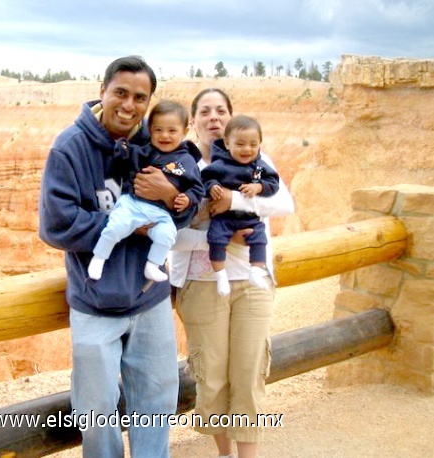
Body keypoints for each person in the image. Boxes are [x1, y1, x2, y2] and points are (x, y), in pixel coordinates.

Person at [133, 88, 294, 458]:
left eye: (221, 110)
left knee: (250, 373)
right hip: (201, 285)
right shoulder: (179, 164)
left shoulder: (252, 154)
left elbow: (284, 203)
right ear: (193, 121)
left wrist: (234, 201)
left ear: (231, 116)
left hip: (253, 284)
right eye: (205, 111)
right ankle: (224, 453)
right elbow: (167, 235)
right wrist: (218, 238)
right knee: (213, 376)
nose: (214, 117)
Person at [38, 56, 179, 458]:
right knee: (96, 410)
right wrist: (129, 226)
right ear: (102, 91)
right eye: (120, 92)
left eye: (140, 97)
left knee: (156, 404)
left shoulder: (156, 146)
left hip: (150, 298)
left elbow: (187, 206)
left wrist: (170, 196)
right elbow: (56, 224)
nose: (129, 105)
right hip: (95, 304)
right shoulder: (70, 148)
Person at [88, 99, 205, 283]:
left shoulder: (188, 161)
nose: (164, 135)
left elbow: (198, 188)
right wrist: (121, 149)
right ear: (150, 130)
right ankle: (99, 257)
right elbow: (127, 159)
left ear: (185, 131)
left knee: (167, 235)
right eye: (158, 130)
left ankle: (153, 265)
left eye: (172, 130)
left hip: (162, 214)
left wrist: (187, 198)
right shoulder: (146, 151)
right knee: (116, 226)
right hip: (134, 203)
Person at [201, 115, 279, 296]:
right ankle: (221, 275)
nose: (247, 149)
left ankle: (256, 271)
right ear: (227, 144)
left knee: (260, 240)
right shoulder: (219, 165)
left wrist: (259, 186)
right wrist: (212, 186)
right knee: (216, 239)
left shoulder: (260, 167)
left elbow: (273, 184)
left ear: (260, 143)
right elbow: (205, 179)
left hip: (250, 220)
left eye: (253, 144)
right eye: (240, 144)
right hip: (224, 218)